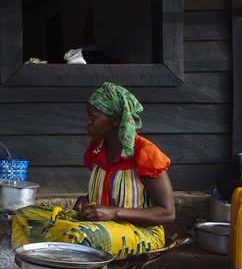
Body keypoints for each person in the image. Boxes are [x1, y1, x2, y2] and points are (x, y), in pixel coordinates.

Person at [12, 82, 176, 259]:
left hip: (142, 232)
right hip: (102, 225)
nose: (88, 122)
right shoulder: (98, 149)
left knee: (78, 235)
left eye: (94, 117)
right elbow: (106, 194)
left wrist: (114, 212)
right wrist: (87, 201)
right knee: (24, 216)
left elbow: (167, 213)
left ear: (114, 120)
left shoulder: (145, 152)